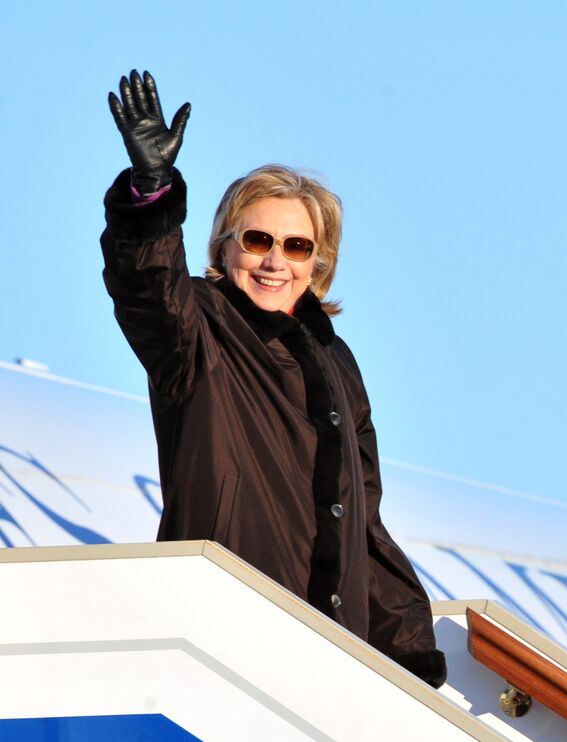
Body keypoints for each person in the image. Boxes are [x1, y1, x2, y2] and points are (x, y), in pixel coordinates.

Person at [101, 70, 446, 688]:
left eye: (295, 246)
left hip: (325, 653)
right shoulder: (197, 329)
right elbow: (146, 287)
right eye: (258, 239)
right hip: (220, 635)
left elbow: (361, 520)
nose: (273, 260)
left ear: (320, 262)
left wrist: (411, 657)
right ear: (226, 246)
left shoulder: (336, 363)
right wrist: (151, 195)